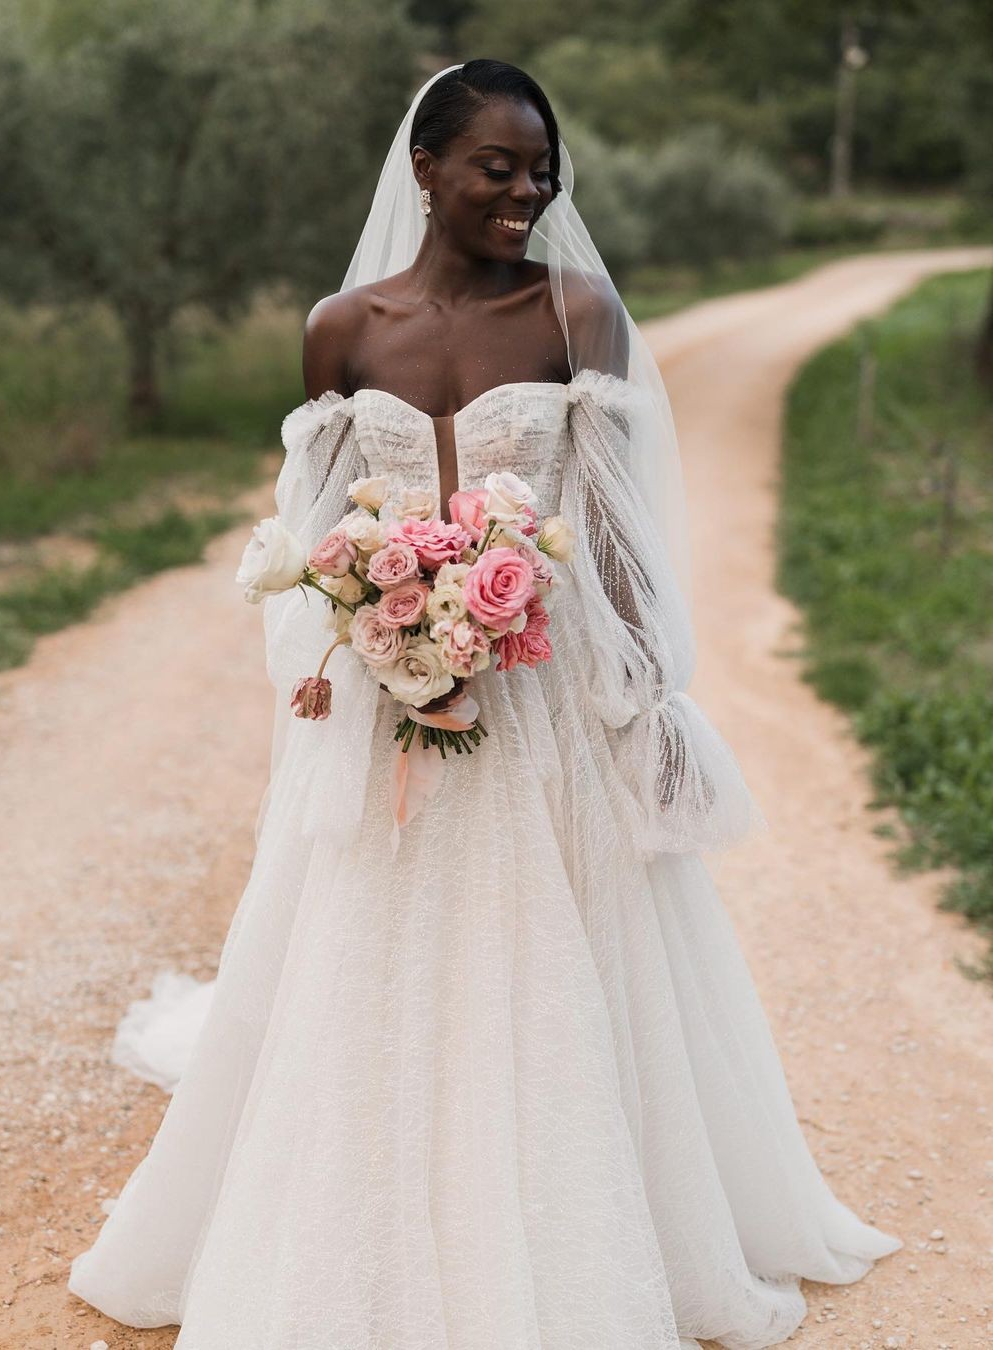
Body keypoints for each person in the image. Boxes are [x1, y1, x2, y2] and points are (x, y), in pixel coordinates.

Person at [67, 60, 902, 1349]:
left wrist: (648, 695)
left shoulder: (574, 315)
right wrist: (368, 620)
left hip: (546, 689)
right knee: (376, 944)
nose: (527, 190)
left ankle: (580, 1218)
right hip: (391, 676)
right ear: (426, 173)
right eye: (496, 167)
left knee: (564, 936)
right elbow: (318, 524)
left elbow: (616, 523)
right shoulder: (342, 329)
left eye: (541, 168)